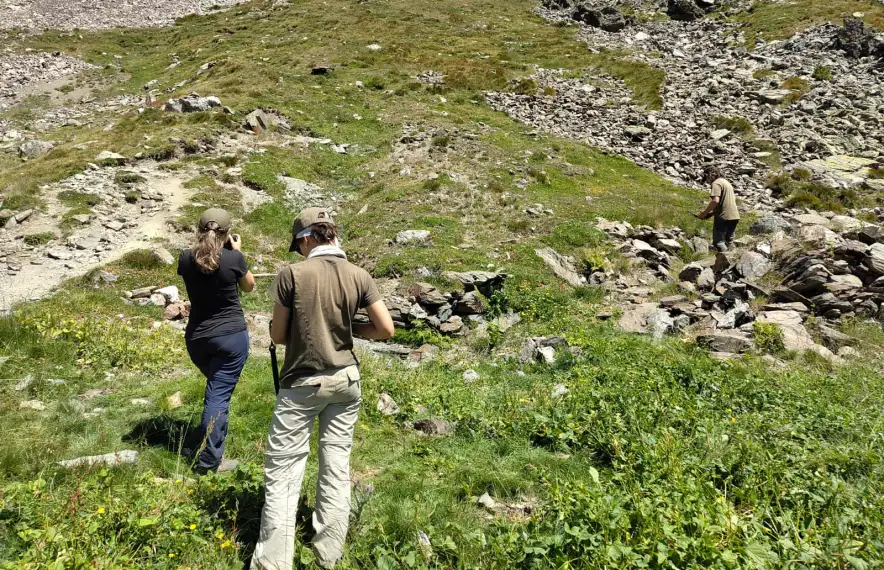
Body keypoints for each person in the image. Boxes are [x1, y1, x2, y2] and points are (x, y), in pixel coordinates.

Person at [251, 207, 394, 570]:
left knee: (284, 470)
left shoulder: (291, 275)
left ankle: (273, 563)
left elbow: (279, 336)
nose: (297, 251)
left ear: (306, 238)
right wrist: (349, 329)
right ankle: (327, 555)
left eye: (297, 245)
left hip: (303, 382)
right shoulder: (359, 274)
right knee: (335, 464)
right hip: (347, 380)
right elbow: (385, 330)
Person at [177, 208, 255, 473]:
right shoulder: (233, 258)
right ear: (227, 233)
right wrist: (237, 251)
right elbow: (249, 286)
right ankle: (210, 462)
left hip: (197, 338)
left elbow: (203, 264)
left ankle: (205, 439)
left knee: (215, 389)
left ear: (199, 230)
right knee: (219, 397)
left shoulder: (185, 259)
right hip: (231, 337)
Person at [697, 167, 740, 252]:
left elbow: (715, 201)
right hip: (734, 216)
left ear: (710, 175)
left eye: (707, 179)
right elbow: (725, 203)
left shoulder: (716, 183)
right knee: (729, 241)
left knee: (719, 243)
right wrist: (711, 213)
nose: (708, 182)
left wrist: (705, 213)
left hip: (723, 217)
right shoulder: (727, 183)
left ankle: (725, 262)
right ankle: (733, 260)